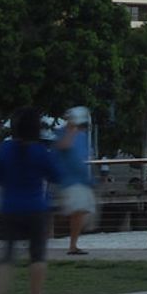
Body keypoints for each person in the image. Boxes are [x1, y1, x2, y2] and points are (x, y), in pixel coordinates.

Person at [0, 106, 62, 294]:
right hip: (36, 208)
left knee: (6, 257)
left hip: (9, 207)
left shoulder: (4, 149)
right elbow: (55, 176)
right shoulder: (40, 151)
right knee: (37, 256)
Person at [54, 106, 96, 256]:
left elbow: (84, 157)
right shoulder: (61, 133)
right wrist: (70, 131)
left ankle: (72, 240)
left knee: (83, 211)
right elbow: (63, 147)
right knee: (78, 211)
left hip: (81, 179)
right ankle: (72, 245)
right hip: (70, 180)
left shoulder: (82, 136)